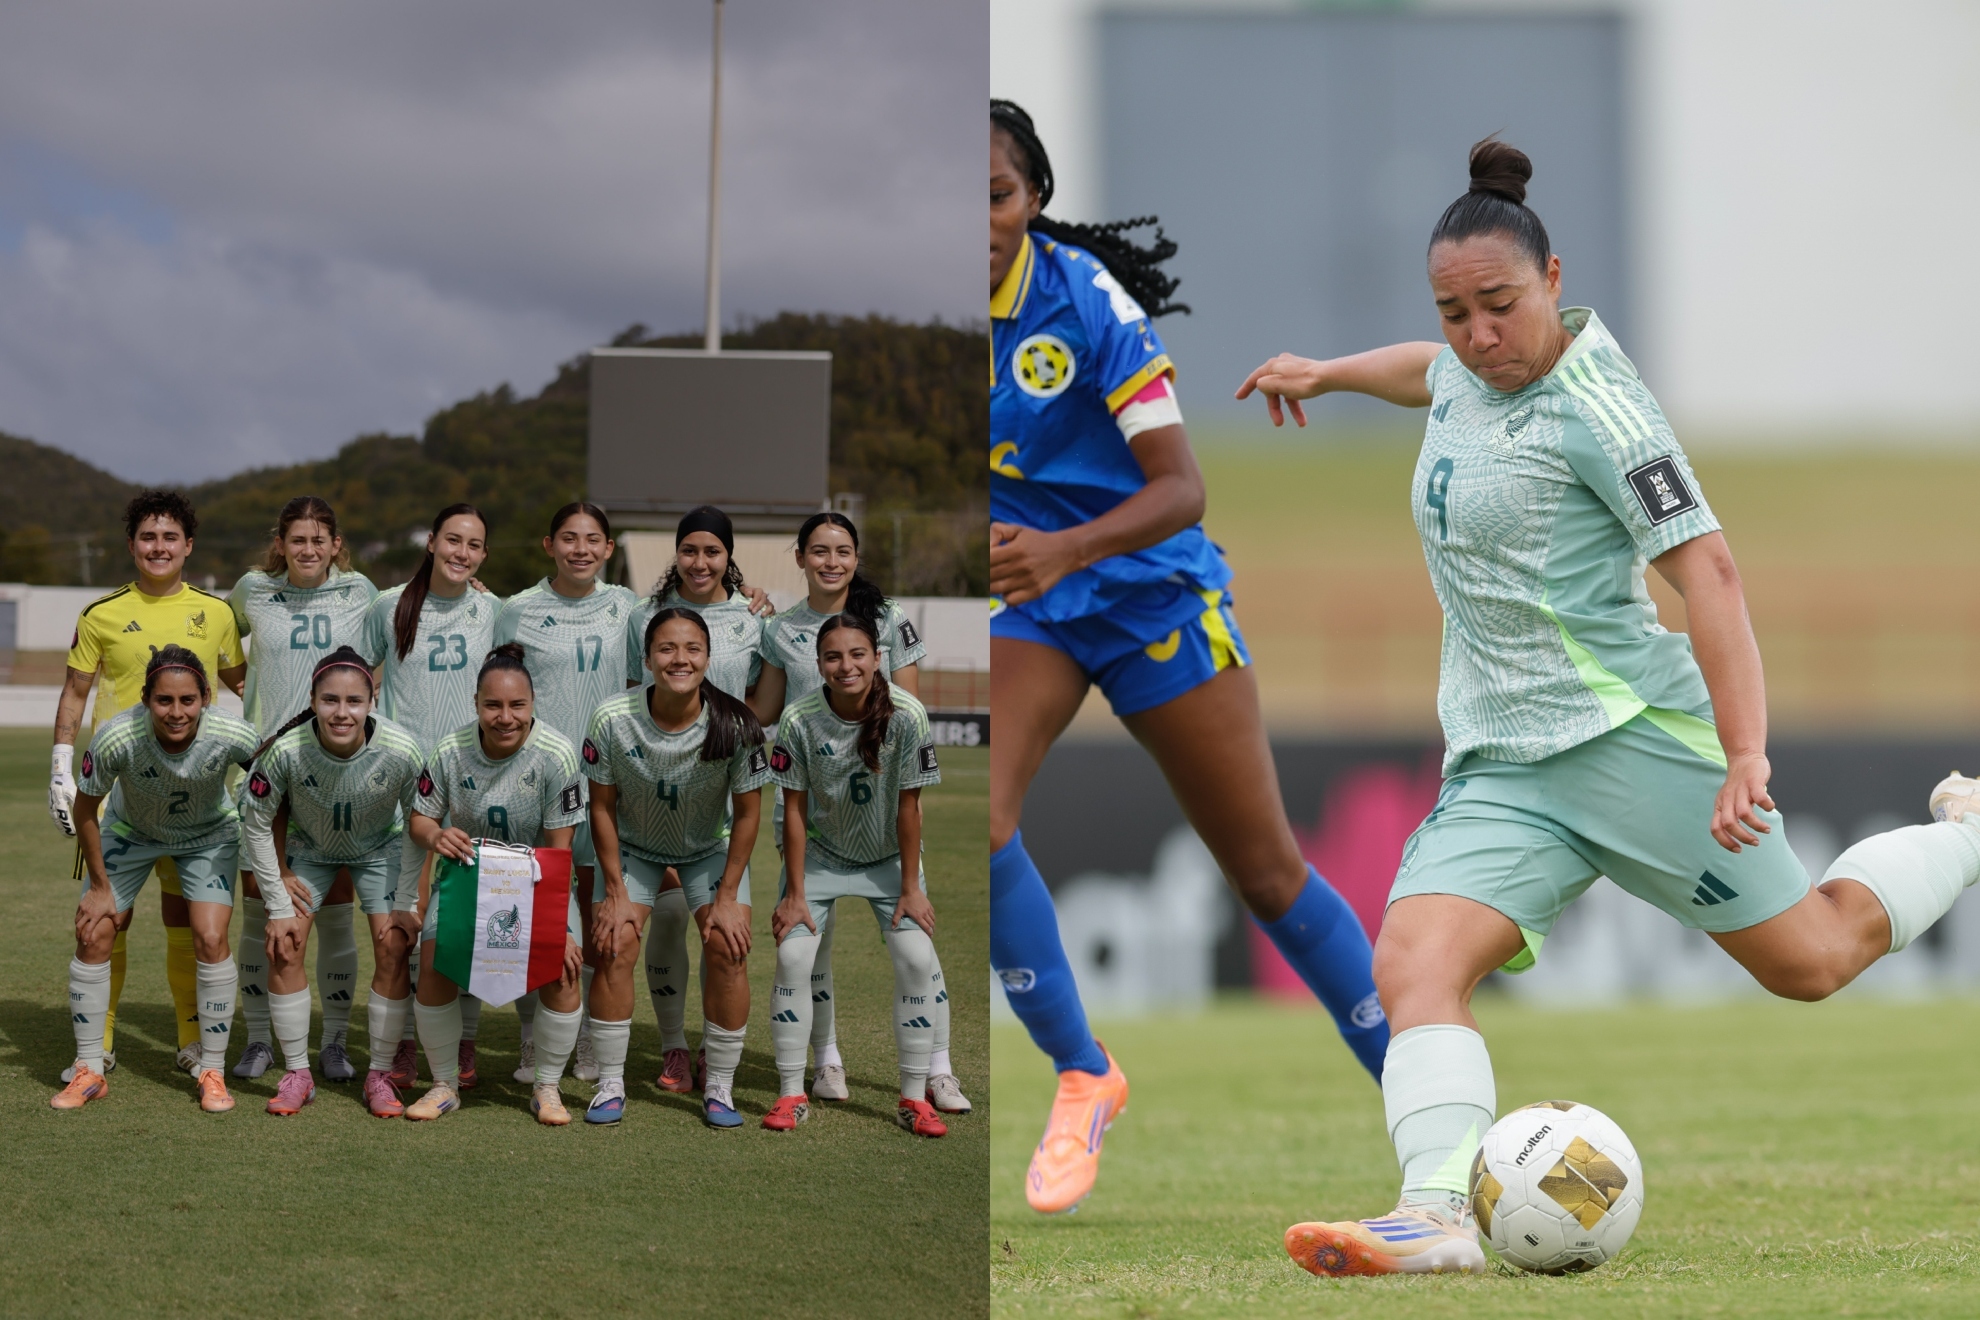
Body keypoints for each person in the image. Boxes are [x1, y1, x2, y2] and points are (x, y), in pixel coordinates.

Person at [1233, 136, 1980, 1277]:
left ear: (1553, 280)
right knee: (1415, 962)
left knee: (1813, 959)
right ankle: (1434, 1216)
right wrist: (1327, 372)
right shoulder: (1465, 370)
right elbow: (1424, 374)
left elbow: (1709, 575)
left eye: (1499, 307)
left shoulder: (1604, 411)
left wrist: (1744, 751)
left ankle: (1967, 831)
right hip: (1504, 763)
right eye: (1453, 313)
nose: (1478, 336)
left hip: (1634, 741)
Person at [988, 100, 1387, 1215]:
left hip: (1151, 592)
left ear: (1034, 200)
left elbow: (1183, 490)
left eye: (997, 196)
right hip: (1033, 608)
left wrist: (1064, 547)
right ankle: (1084, 1074)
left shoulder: (1086, 302)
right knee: (978, 821)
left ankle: (1423, 1096)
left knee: (1266, 875)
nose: (975, 220)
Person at [755, 510, 970, 1114]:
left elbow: (907, 712)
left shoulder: (890, 617)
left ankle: (937, 1070)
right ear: (800, 557)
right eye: (819, 551)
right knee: (807, 951)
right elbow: (765, 709)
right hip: (811, 809)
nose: (831, 561)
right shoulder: (779, 628)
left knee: (917, 951)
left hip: (878, 809)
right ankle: (824, 1061)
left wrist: (877, 757)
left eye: (842, 551)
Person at [50, 490, 245, 1084]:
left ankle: (192, 1041)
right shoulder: (101, 613)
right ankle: (99, 1046)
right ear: (132, 545)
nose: (159, 547)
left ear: (189, 546)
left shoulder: (216, 612)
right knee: (109, 917)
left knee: (187, 917)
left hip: (194, 794)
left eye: (170, 537)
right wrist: (61, 764)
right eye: (147, 537)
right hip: (116, 792)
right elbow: (76, 692)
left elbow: (244, 684)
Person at [51, 647, 259, 1113]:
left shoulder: (233, 734)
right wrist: (100, 889)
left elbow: (275, 782)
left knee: (210, 938)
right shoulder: (116, 737)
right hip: (131, 832)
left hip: (207, 836)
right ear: (146, 698)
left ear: (206, 698)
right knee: (94, 931)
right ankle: (89, 1069)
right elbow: (85, 809)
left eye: (188, 700)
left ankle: (212, 1071)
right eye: (164, 700)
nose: (176, 712)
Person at [766, 614, 949, 1138]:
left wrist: (910, 887)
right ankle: (791, 1093)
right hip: (820, 859)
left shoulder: (907, 714)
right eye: (833, 656)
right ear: (819, 663)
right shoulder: (799, 718)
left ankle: (914, 1098)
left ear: (877, 657)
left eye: (857, 654)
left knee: (917, 959)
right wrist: (795, 893)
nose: (846, 666)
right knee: (793, 958)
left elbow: (910, 807)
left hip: (887, 861)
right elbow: (793, 809)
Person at [585, 607, 768, 1127]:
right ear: (646, 659)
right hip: (635, 848)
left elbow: (748, 814)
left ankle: (720, 1086)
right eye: (666, 648)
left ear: (708, 657)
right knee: (614, 941)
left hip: (708, 848)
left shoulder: (736, 723)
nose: (679, 659)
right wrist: (615, 891)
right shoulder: (612, 717)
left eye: (692, 649)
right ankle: (610, 1083)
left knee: (728, 945)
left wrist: (727, 897)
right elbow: (601, 807)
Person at [401, 644, 588, 1124]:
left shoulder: (557, 753)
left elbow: (559, 849)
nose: (505, 717)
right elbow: (420, 820)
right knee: (435, 960)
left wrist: (560, 929)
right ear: (476, 704)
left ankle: (547, 1088)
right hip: (468, 877)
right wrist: (437, 835)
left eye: (517, 705)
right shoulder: (450, 749)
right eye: (493, 705)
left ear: (532, 704)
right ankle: (444, 1085)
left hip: (538, 880)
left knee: (564, 966)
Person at [227, 496, 378, 1083]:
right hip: (266, 771)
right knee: (258, 914)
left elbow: (387, 647)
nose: (308, 550)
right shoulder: (253, 590)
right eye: (298, 540)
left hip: (336, 775)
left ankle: (334, 1043)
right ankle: (259, 1040)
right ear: (281, 543)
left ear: (335, 544)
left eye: (319, 540)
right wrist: (250, 689)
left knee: (334, 913)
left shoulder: (360, 592)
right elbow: (219, 640)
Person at [624, 505, 774, 1096]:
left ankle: (716, 1051)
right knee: (664, 923)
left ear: (728, 556)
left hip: (723, 799)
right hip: (655, 794)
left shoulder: (754, 618)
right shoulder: (644, 615)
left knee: (722, 934)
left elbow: (764, 702)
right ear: (677, 553)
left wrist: (732, 745)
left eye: (713, 551)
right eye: (690, 550)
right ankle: (674, 1048)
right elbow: (632, 697)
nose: (700, 561)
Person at [240, 647, 425, 1117]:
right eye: (330, 700)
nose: (342, 712)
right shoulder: (286, 750)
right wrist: (278, 893)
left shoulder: (402, 750)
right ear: (313, 700)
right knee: (284, 943)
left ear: (371, 702)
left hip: (380, 849)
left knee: (394, 943)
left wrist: (408, 899)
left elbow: (419, 824)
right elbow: (257, 823)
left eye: (354, 701)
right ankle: (297, 1073)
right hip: (310, 851)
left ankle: (379, 1075)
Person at [494, 502, 641, 1083]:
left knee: (596, 914)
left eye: (593, 539)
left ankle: (584, 1037)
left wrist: (749, 595)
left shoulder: (628, 607)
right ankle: (533, 1038)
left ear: (609, 548)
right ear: (548, 544)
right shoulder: (516, 610)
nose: (581, 549)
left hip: (605, 783)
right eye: (569, 538)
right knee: (534, 912)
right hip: (537, 781)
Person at [363, 503, 501, 1088]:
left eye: (473, 545)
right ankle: (398, 1046)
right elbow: (355, 676)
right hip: (403, 786)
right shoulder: (388, 606)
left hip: (470, 780)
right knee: (403, 924)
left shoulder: (494, 611)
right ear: (431, 541)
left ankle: (461, 1042)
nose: (461, 553)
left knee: (462, 922)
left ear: (484, 555)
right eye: (452, 540)